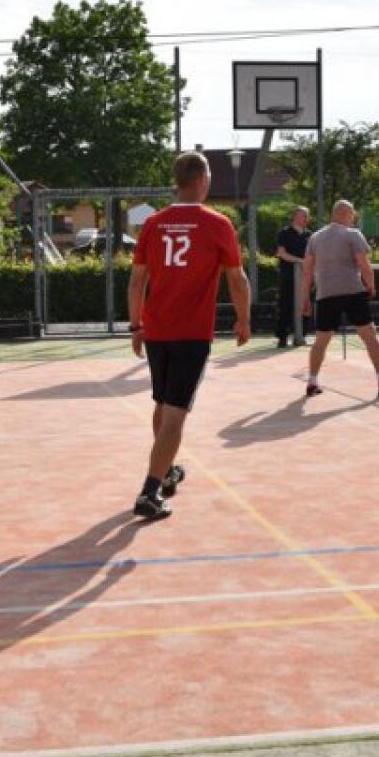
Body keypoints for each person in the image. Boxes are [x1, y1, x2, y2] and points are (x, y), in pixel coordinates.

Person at [127, 151, 252, 520]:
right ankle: (149, 492)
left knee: (162, 404)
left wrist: (135, 325)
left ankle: (165, 472)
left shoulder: (153, 223)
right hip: (191, 332)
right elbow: (237, 279)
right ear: (202, 180)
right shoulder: (217, 224)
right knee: (175, 415)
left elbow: (136, 281)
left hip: (156, 330)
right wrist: (244, 318)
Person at [302, 200, 379, 400]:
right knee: (370, 336)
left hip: (326, 294)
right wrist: (371, 286)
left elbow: (307, 271)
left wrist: (305, 297)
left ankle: (312, 382)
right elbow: (364, 265)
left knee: (321, 341)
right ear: (346, 214)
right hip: (353, 292)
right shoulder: (353, 234)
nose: (353, 218)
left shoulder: (315, 237)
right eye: (352, 214)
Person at [274, 206, 312, 347]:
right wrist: (300, 261)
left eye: (307, 216)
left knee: (305, 304)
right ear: (295, 217)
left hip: (305, 276)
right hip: (288, 276)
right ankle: (282, 337)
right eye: (303, 215)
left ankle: (301, 335)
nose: (306, 218)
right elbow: (281, 253)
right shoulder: (284, 233)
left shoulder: (310, 235)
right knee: (285, 305)